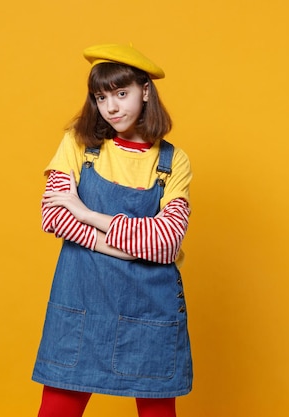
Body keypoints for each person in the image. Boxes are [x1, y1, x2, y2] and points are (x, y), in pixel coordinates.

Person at [32, 43, 193, 417]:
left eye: (122, 93)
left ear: (145, 90)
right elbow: (54, 216)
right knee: (58, 408)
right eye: (101, 97)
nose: (112, 107)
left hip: (148, 309)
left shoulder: (173, 161)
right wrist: (132, 247)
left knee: (157, 410)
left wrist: (86, 213)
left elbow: (167, 243)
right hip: (80, 306)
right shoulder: (78, 145)